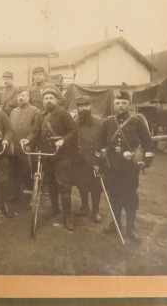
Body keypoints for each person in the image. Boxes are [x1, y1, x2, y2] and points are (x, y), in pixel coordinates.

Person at [97, 89, 155, 242]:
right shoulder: (107, 122)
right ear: (114, 105)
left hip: (130, 169)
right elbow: (99, 143)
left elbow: (148, 143)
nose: (120, 106)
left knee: (130, 197)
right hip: (112, 168)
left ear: (129, 105)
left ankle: (130, 229)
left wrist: (146, 161)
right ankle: (115, 224)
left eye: (123, 103)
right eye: (118, 103)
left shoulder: (137, 122)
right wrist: (99, 163)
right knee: (113, 196)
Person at [21, 86, 77, 230]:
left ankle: (67, 216)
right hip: (46, 154)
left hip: (61, 155)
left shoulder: (63, 114)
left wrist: (63, 140)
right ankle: (54, 208)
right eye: (46, 98)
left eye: (51, 98)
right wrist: (27, 139)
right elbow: (35, 131)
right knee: (51, 183)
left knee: (63, 186)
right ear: (43, 101)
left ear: (56, 99)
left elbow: (73, 131)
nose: (48, 101)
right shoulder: (41, 115)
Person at [72, 94, 104, 223]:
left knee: (96, 186)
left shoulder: (99, 121)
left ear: (90, 106)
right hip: (80, 160)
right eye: (81, 106)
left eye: (86, 105)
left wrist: (99, 160)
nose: (84, 108)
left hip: (94, 159)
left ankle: (95, 211)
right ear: (78, 108)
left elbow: (103, 141)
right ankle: (84, 207)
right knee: (82, 184)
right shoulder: (74, 122)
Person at [8, 86, 39, 202]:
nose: (21, 98)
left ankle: (29, 198)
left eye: (24, 95)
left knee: (27, 172)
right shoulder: (13, 111)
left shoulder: (35, 111)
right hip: (14, 147)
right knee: (12, 171)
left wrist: (29, 141)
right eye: (19, 96)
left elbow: (36, 130)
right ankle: (14, 195)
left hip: (28, 147)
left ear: (29, 97)